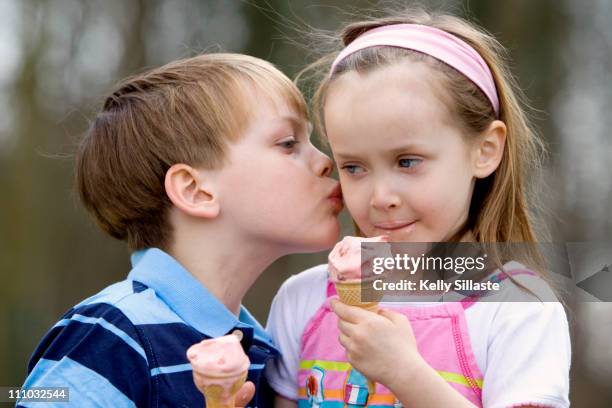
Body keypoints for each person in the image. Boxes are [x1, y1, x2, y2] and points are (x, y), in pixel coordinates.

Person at [266, 7, 570, 408]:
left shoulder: (519, 309)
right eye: (354, 167)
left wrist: (405, 375)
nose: (380, 196)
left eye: (407, 161)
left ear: (486, 149)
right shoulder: (302, 301)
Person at [19, 53, 343, 407]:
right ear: (196, 190)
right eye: (288, 143)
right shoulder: (110, 332)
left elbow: (414, 278)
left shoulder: (266, 350)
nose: (326, 161)